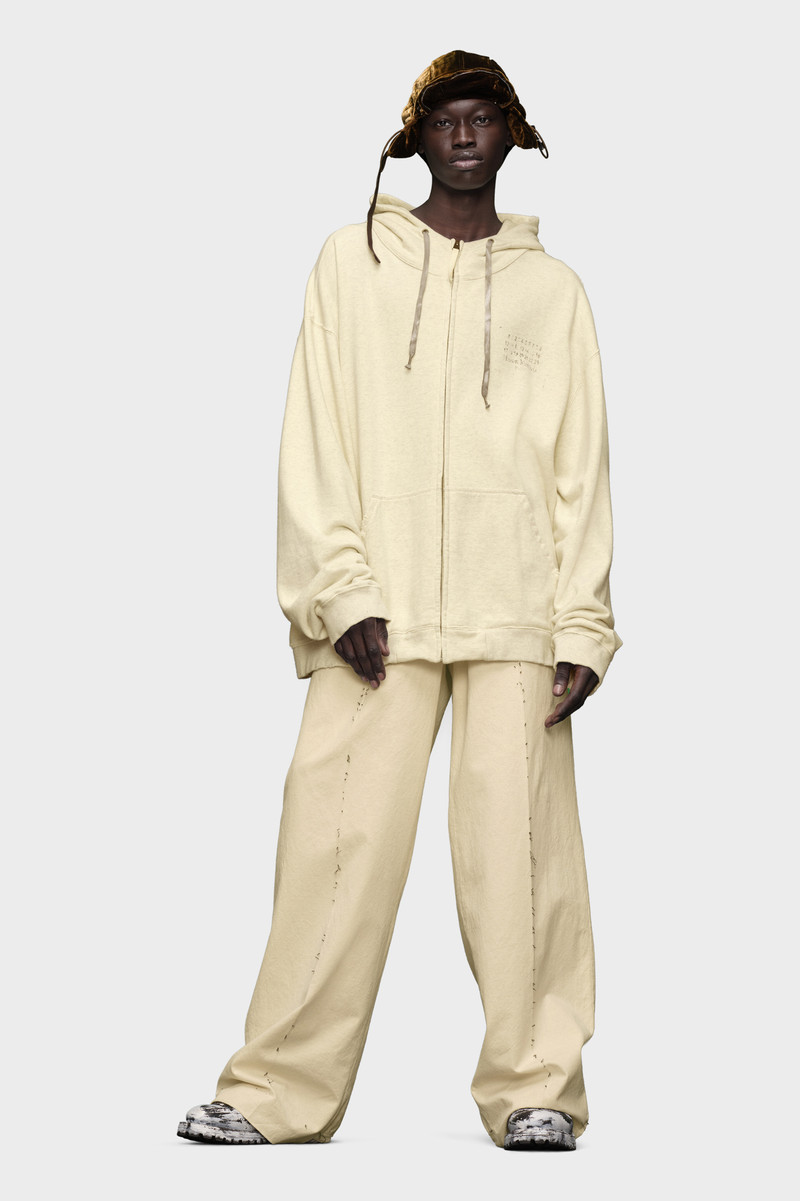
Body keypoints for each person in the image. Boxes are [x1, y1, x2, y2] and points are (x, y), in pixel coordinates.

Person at [177, 49, 622, 1152]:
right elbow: (314, 431)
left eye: (484, 118)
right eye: (445, 118)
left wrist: (581, 619)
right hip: (374, 608)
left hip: (517, 604)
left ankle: (537, 1087)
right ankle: (274, 1089)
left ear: (515, 134)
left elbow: (582, 466)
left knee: (522, 852)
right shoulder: (352, 261)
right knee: (334, 838)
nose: (464, 136)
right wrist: (338, 589)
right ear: (413, 136)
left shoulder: (555, 292)